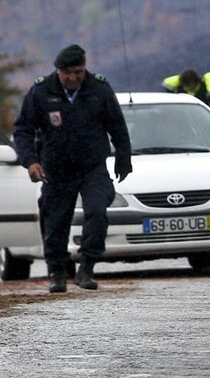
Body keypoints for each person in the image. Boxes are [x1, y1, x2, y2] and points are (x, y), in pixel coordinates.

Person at [12, 44, 132, 293]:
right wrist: (30, 161)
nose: (73, 77)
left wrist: (123, 159)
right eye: (68, 72)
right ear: (58, 71)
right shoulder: (42, 91)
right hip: (56, 169)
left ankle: (87, 267)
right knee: (55, 221)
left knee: (98, 211)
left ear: (84, 68)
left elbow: (117, 126)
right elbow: (23, 129)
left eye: (78, 71)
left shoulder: (98, 88)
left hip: (92, 167)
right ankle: (57, 272)